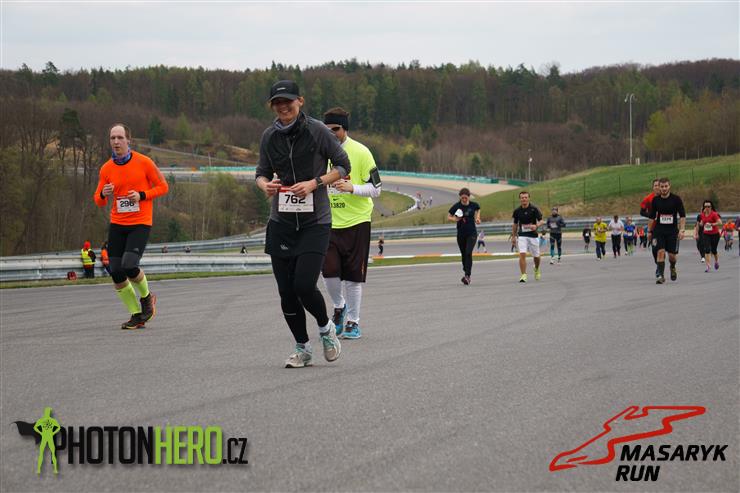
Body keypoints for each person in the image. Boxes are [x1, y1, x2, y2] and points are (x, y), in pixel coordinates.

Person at [255, 80, 350, 368]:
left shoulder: (318, 131)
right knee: (286, 292)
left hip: (315, 222)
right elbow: (261, 173)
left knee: (304, 285)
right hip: (281, 222)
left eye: (288, 101)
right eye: (277, 103)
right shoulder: (269, 136)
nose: (283, 107)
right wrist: (265, 185)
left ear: (300, 101)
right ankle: (303, 348)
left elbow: (343, 166)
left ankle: (326, 328)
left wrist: (314, 183)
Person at [94, 123, 168, 329]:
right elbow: (98, 200)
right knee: (116, 271)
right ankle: (136, 315)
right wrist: (103, 194)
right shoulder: (106, 169)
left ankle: (147, 297)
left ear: (128, 140)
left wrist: (142, 195)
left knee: (129, 265)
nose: (116, 142)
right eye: (112, 138)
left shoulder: (144, 162)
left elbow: (163, 186)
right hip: (117, 224)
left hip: (140, 223)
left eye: (120, 138)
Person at [321, 107, 382, 340]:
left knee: (353, 277)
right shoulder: (319, 153)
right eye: (326, 130)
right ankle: (339, 306)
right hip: (327, 222)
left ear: (345, 129)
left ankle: (353, 322)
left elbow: (377, 189)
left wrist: (352, 188)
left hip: (357, 222)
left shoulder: (362, 152)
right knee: (328, 272)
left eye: (335, 129)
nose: (331, 134)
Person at [648, 177, 686, 284]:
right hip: (659, 231)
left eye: (666, 186)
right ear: (659, 187)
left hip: (672, 231)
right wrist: (649, 231)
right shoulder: (655, 200)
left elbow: (682, 216)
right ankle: (660, 276)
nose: (664, 188)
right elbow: (652, 217)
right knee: (660, 252)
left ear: (669, 186)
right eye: (662, 186)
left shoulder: (676, 199)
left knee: (672, 256)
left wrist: (682, 230)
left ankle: (672, 267)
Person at [448, 188, 481, 285]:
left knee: (468, 252)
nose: (464, 199)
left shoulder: (473, 205)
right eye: (462, 198)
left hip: (472, 233)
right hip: (461, 234)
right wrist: (454, 219)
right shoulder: (457, 206)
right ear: (460, 197)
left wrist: (477, 218)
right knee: (463, 254)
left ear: (469, 197)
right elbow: (449, 216)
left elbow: (478, 209)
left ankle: (467, 276)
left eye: (466, 198)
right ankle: (466, 269)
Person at [511, 191, 543, 282]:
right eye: (522, 198)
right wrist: (513, 236)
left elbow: (541, 221)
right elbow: (515, 224)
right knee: (522, 254)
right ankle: (523, 275)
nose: (524, 199)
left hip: (533, 235)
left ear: (529, 198)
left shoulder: (534, 209)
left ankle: (536, 268)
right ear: (520, 199)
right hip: (522, 235)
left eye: (525, 197)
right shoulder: (517, 211)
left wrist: (536, 226)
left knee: (536, 256)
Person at [640, 179, 661, 276]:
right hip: (653, 227)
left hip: (665, 226)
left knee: (662, 249)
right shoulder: (648, 199)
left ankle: (661, 266)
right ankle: (658, 265)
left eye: (659, 185)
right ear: (653, 187)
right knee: (654, 248)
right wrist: (651, 215)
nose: (657, 187)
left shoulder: (665, 197)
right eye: (655, 185)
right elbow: (641, 211)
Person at [694, 199, 722, 272]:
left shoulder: (714, 214)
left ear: (711, 207)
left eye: (708, 206)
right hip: (706, 234)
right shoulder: (702, 214)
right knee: (707, 250)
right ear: (704, 207)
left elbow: (720, 222)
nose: (707, 208)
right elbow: (701, 223)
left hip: (715, 234)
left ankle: (716, 261)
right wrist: (700, 224)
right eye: (705, 206)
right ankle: (708, 266)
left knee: (714, 250)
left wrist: (712, 224)